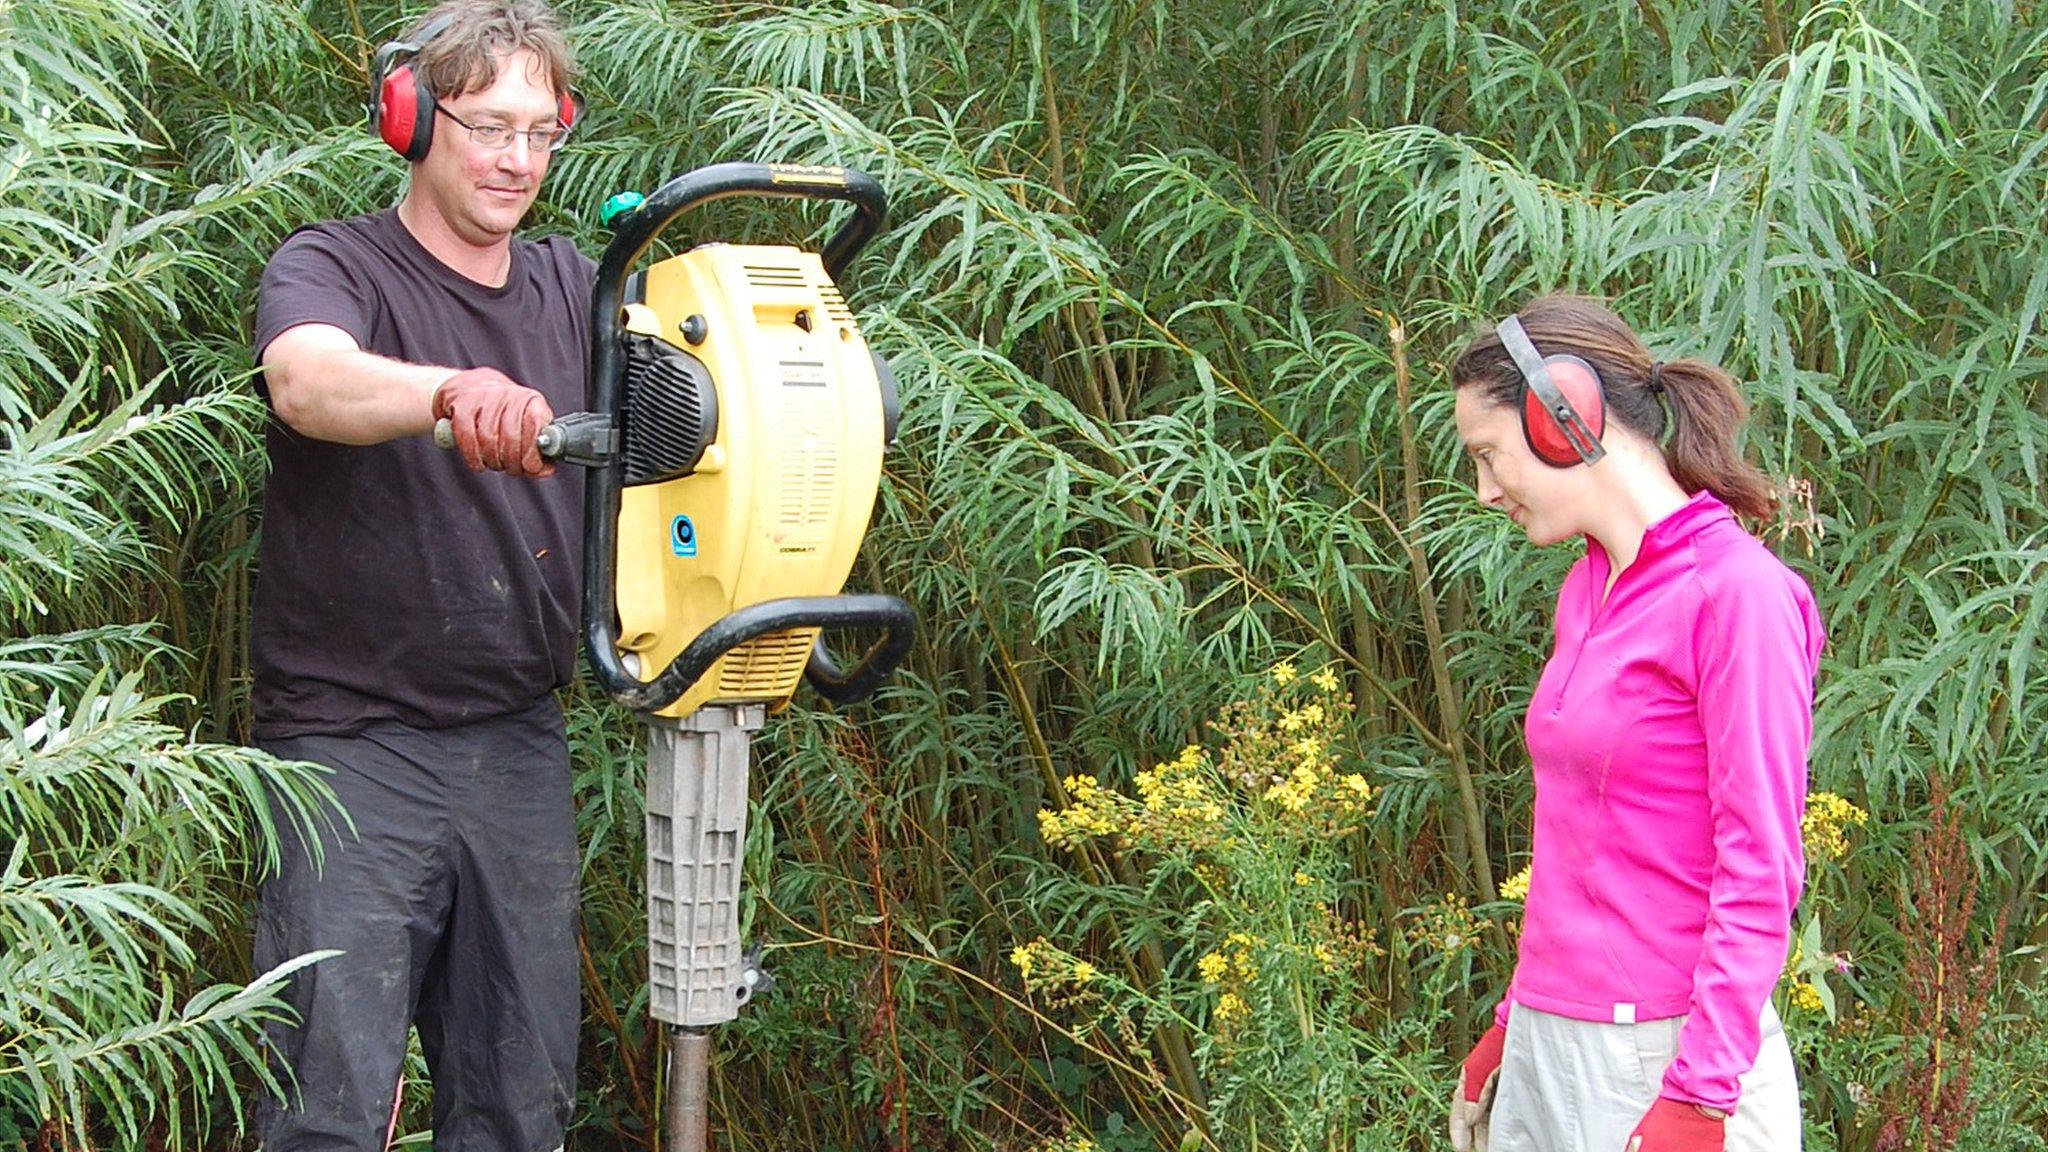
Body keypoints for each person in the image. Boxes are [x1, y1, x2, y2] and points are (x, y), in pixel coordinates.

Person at [247, 3, 594, 1147]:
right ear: (410, 118)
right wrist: (446, 395)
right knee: (325, 1108)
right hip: (352, 746)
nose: (516, 159)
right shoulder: (334, 265)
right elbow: (309, 381)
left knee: (519, 1102)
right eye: (490, 125)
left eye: (540, 133)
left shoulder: (576, 290)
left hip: (519, 742)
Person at [1442, 296, 1824, 1152]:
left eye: (1489, 457)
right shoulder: (1589, 588)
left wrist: (1699, 1098)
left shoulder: (1738, 596)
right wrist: (1515, 1022)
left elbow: (1760, 867)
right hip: (1555, 1045)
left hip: (1667, 1060)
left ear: (1562, 415)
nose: (1486, 490)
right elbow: (1585, 849)